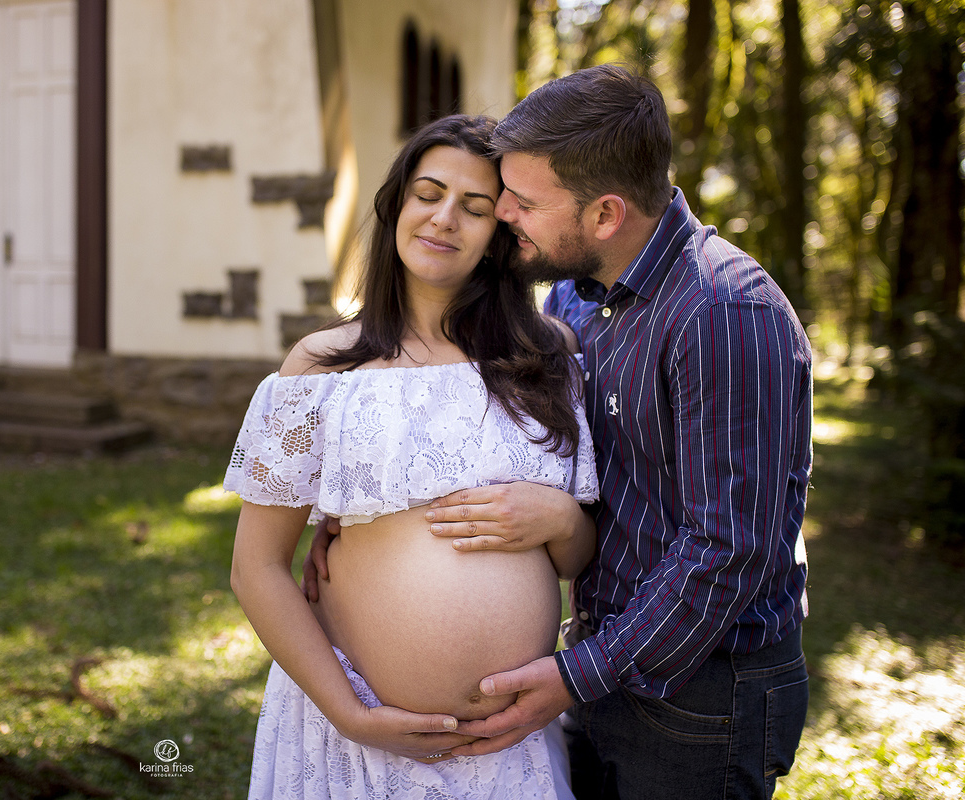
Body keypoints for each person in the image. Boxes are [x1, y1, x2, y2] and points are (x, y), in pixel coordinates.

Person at [400, 64, 812, 799]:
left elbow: (727, 550)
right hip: (608, 662)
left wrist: (573, 677)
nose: (505, 216)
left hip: (702, 696)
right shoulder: (578, 300)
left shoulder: (720, 314)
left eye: (523, 202)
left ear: (605, 215)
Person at [224, 114, 600, 799]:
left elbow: (574, 560)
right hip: (354, 734)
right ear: (397, 203)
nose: (444, 219)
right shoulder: (322, 369)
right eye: (428, 193)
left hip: (508, 743)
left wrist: (563, 522)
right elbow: (255, 569)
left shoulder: (546, 357)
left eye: (474, 207)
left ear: (498, 236)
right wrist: (352, 714)